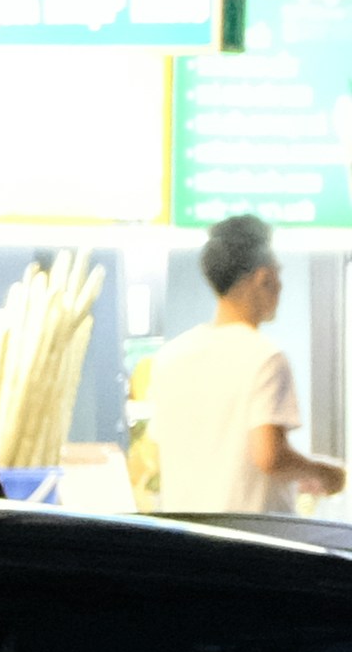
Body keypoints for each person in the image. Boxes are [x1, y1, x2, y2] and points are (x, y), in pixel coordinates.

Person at [142, 218, 339, 518]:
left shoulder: (170, 357)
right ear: (264, 278)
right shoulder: (265, 357)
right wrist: (326, 473)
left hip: (187, 543)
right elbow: (269, 456)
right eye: (279, 273)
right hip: (252, 546)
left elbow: (175, 453)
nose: (281, 285)